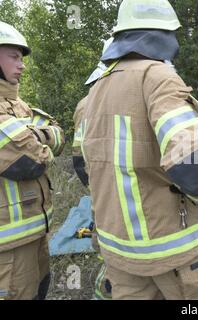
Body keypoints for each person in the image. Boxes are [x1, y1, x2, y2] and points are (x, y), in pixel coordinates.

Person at [81, 0, 198, 300]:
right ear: (165, 36)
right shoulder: (157, 77)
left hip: (119, 254)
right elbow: (194, 163)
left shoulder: (96, 91)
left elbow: (85, 166)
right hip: (173, 250)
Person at [0, 21, 65, 300]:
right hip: (8, 246)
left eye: (21, 58)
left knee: (39, 290)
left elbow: (59, 137)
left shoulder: (19, 105)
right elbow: (32, 160)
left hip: (36, 232)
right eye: (14, 56)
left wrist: (36, 135)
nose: (22, 65)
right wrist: (41, 138)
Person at [72, 37, 114, 300]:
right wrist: (100, 187)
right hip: (108, 188)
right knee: (112, 253)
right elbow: (80, 158)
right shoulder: (88, 105)